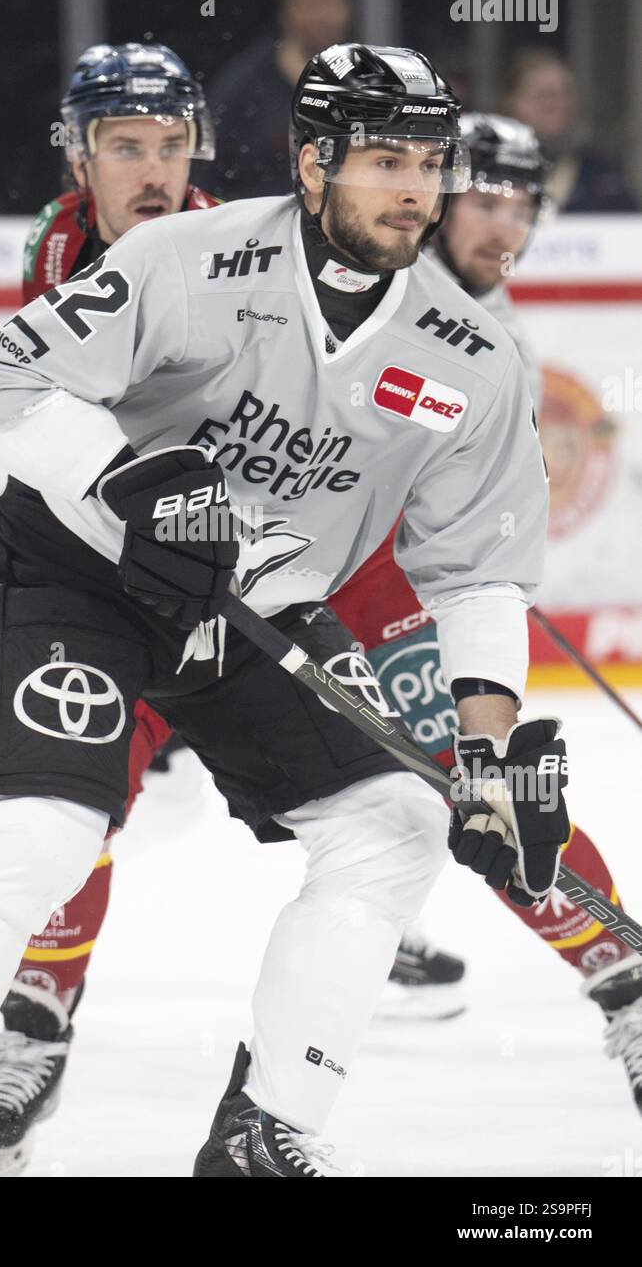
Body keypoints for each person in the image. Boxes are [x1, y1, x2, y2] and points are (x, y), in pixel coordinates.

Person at [0, 41, 569, 1179]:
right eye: (382, 160)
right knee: (39, 834)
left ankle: (264, 1133)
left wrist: (487, 745)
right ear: (311, 161)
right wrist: (125, 471)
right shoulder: (185, 257)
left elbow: (475, 571)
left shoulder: (474, 352)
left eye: (429, 162)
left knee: (393, 826)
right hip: (77, 575)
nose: (415, 190)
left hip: (258, 609)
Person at [343, 114, 642, 1088]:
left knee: (477, 783)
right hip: (248, 570)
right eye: (483, 195)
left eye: (521, 200)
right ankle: (18, 992)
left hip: (380, 584)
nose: (502, 220)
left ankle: (624, 975)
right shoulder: (358, 271)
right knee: (113, 788)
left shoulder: (495, 331)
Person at [205, 0, 354, 199]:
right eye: (310, 3)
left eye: (331, 2)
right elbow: (208, 175)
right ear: (286, 8)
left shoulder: (369, 82)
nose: (322, 17)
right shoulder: (241, 88)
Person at [503, 48, 638, 213]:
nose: (559, 105)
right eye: (544, 95)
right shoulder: (485, 174)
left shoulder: (602, 176)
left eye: (566, 94)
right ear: (512, 102)